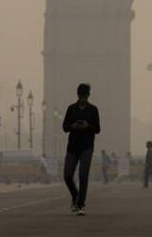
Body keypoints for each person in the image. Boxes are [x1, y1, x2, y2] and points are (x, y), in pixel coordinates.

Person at [62, 83, 101, 216]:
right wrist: (73, 126)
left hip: (87, 147)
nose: (83, 99)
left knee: (83, 175)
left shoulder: (93, 110)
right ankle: (76, 195)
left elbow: (97, 129)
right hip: (73, 147)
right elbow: (65, 127)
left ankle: (80, 204)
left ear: (88, 96)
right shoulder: (71, 109)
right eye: (81, 96)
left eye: (84, 96)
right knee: (67, 175)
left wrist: (87, 125)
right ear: (78, 95)